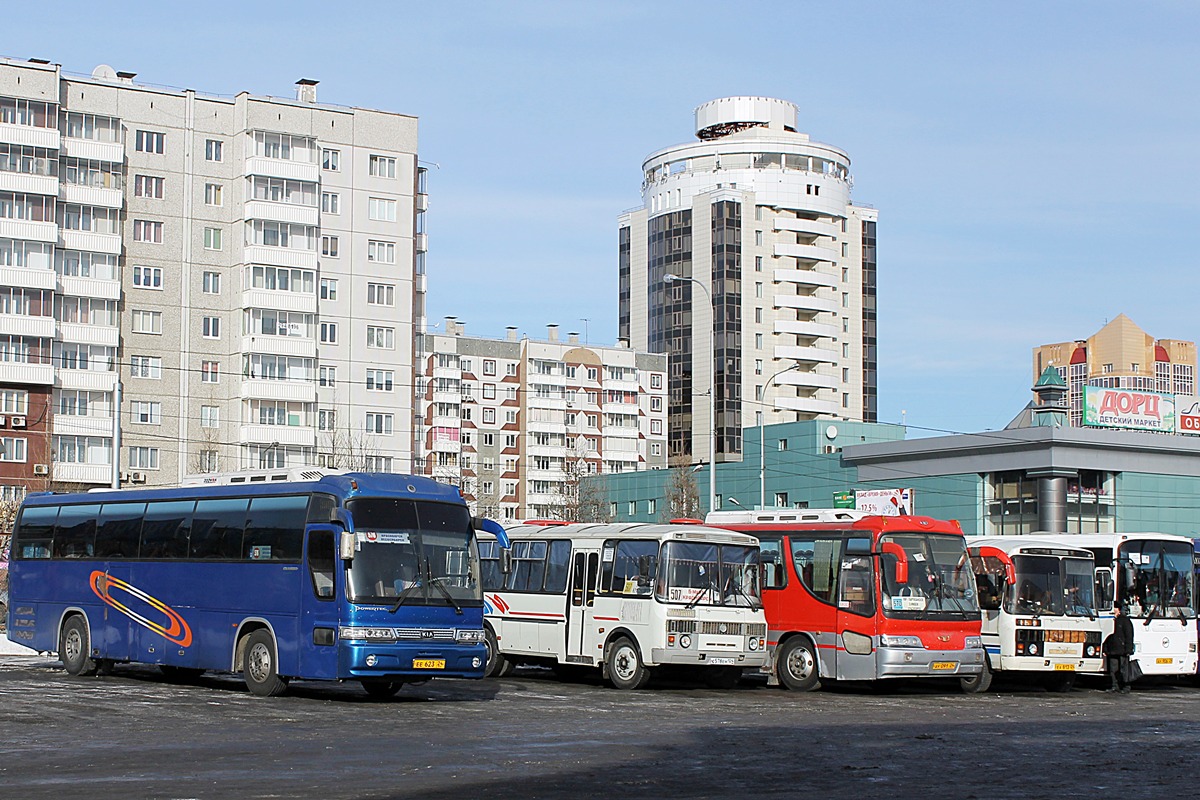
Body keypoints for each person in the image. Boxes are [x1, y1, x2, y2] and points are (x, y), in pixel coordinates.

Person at [1102, 604, 1136, 693]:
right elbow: (1107, 636)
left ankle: (1126, 686)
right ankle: (1115, 686)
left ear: (1119, 609)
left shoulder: (1125, 620)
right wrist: (1105, 649)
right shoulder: (1110, 620)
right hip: (1112, 650)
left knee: (1124, 669)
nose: (1113, 610)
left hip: (1122, 650)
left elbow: (1129, 635)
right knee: (1113, 670)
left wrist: (1129, 649)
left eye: (1115, 608)